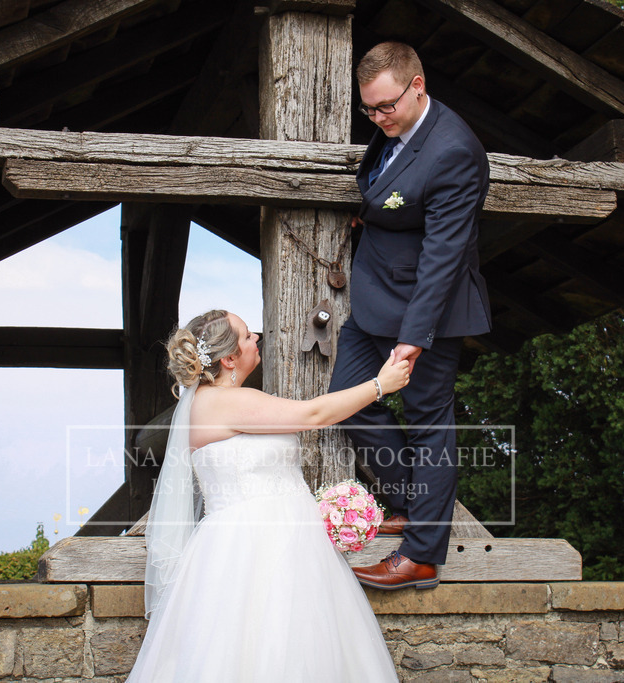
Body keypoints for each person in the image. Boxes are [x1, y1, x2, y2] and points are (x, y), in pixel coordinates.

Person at [127, 309, 409, 682]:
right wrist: (379, 385)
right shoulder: (223, 402)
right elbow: (313, 415)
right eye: (246, 336)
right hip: (252, 550)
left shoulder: (223, 400)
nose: (256, 339)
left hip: (293, 543)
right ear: (228, 358)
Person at [328, 42, 492, 590]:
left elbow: (444, 257)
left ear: (418, 85)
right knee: (350, 403)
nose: (378, 119)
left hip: (428, 314)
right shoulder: (395, 124)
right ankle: (404, 501)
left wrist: (414, 339)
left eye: (386, 107)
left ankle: (420, 554)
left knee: (429, 426)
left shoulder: (455, 152)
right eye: (368, 110)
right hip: (373, 301)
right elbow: (387, 191)